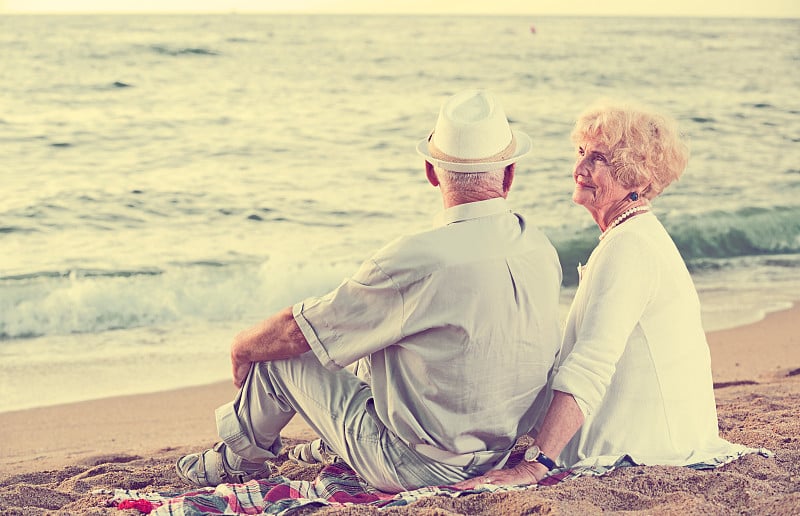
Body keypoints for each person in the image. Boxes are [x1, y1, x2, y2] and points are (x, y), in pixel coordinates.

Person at [175, 89, 563, 493]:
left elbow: (298, 331)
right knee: (377, 344)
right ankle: (321, 444)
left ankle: (234, 461)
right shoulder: (539, 247)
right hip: (498, 453)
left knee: (276, 354)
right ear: (510, 173)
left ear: (432, 172)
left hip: (416, 465)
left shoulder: (418, 258)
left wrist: (241, 346)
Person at [458, 99, 757, 488]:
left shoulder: (630, 247)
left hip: (650, 449)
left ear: (635, 177)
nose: (579, 168)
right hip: (668, 436)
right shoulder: (634, 235)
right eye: (581, 152)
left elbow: (590, 365)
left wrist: (535, 463)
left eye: (597, 158)